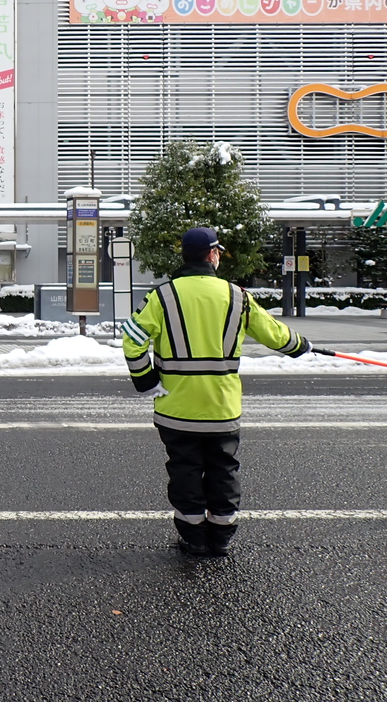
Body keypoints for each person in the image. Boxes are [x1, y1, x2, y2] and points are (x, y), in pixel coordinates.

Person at [122, 227, 311, 557]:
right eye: (219, 252)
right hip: (222, 408)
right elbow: (275, 334)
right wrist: (302, 346)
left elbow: (132, 340)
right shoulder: (237, 295)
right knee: (224, 469)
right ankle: (222, 536)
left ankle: (193, 537)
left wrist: (147, 380)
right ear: (211, 255)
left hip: (176, 408)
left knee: (184, 470)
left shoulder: (162, 296)